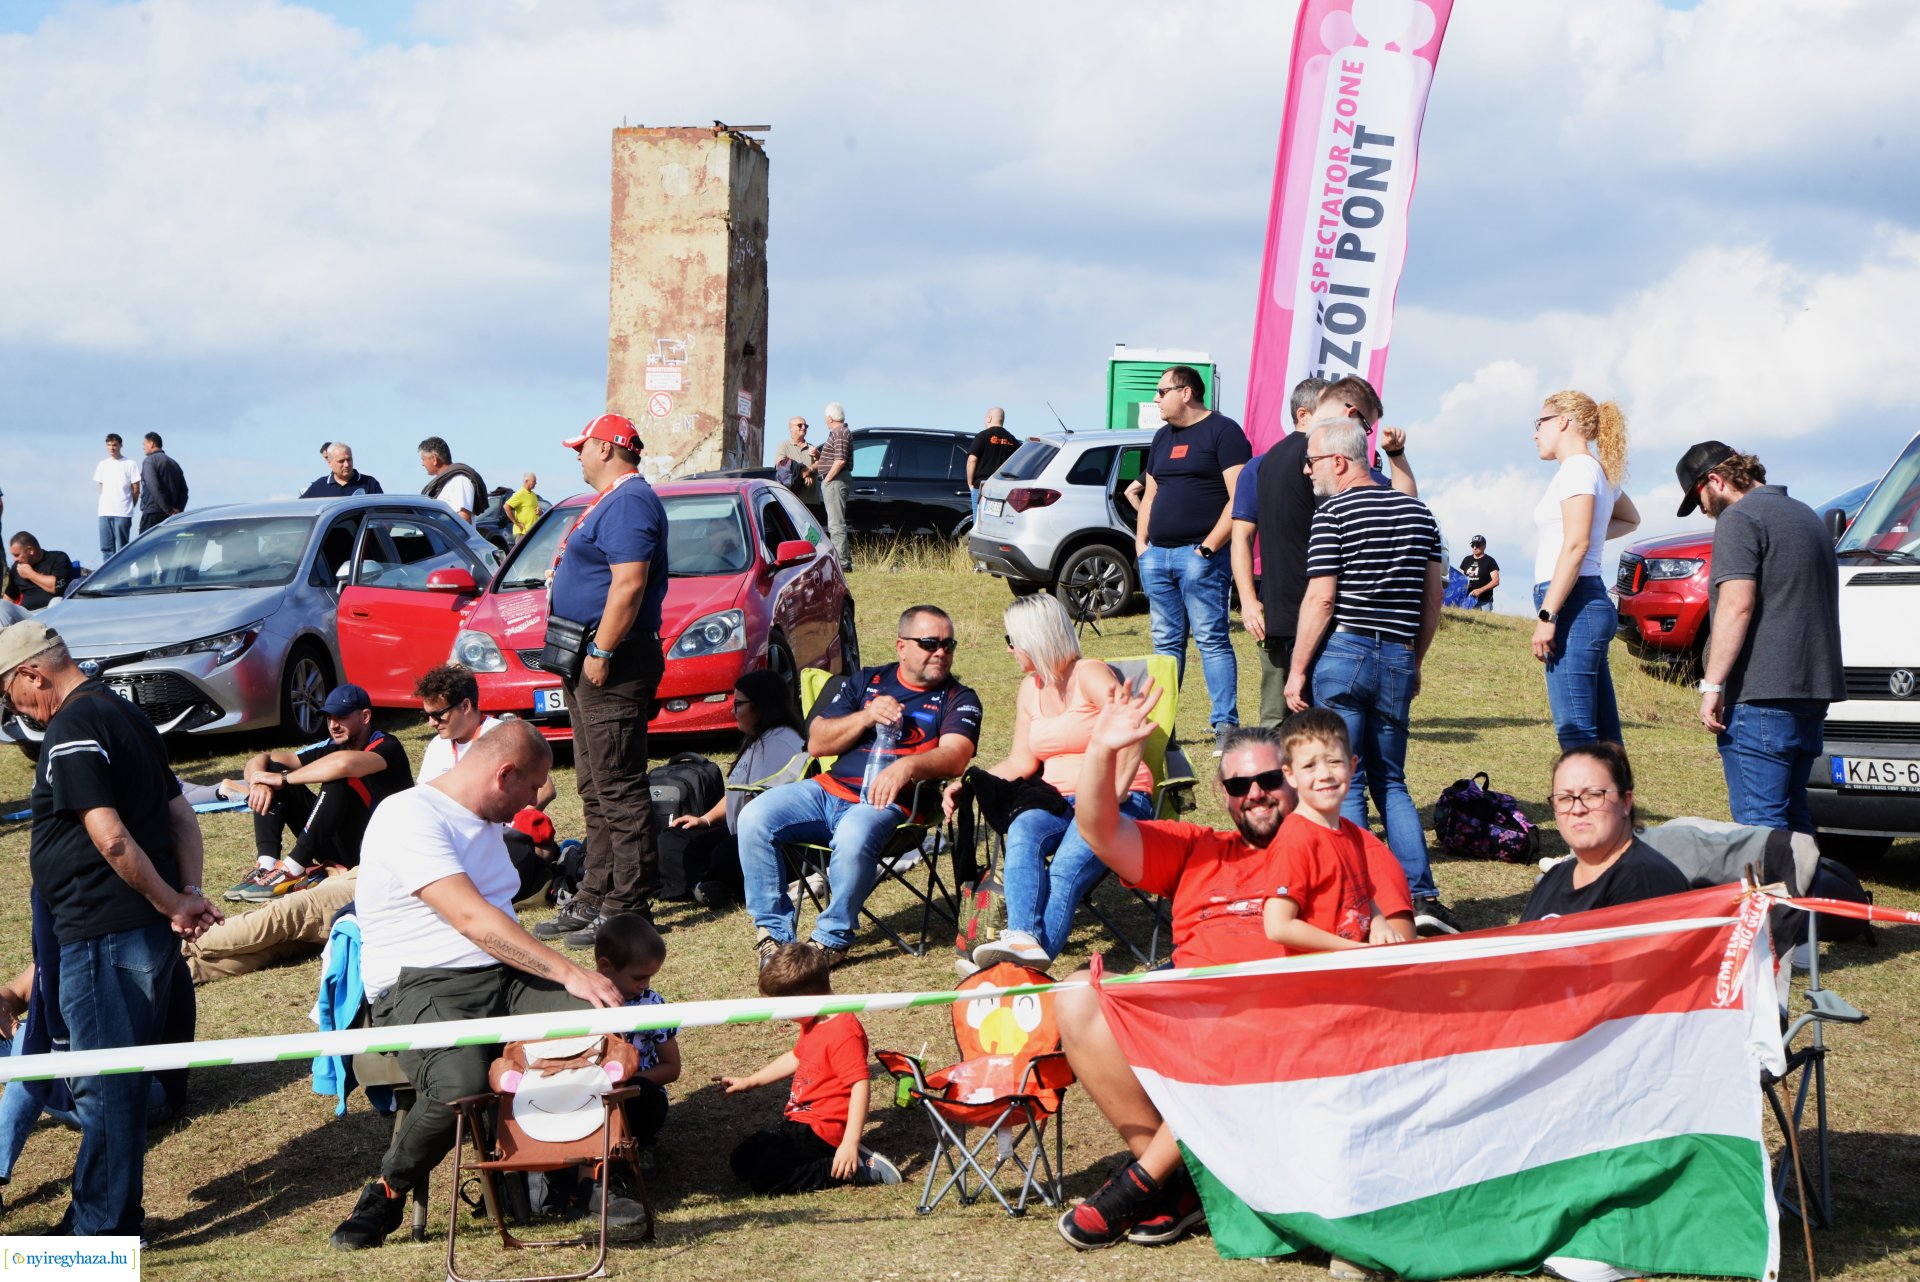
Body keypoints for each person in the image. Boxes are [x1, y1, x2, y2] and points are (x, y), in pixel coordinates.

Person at [1053, 695, 1409, 1251]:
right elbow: (1099, 830)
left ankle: (1148, 1181)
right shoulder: (1198, 848)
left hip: (1280, 1031)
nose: (1256, 794)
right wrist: (1101, 748)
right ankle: (1181, 1178)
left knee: (1248, 1026)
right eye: (1240, 786)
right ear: (1223, 795)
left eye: (1267, 779)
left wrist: (1382, 930)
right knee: (1076, 993)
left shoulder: (1352, 847)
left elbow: (1403, 949)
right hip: (1183, 1019)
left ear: (1290, 778)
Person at [331, 720, 623, 1251]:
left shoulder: (487, 821)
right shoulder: (407, 815)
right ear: (503, 774)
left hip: (502, 976)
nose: (537, 799)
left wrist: (575, 982)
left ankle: (590, 1179)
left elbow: (498, 920)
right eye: (533, 786)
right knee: (460, 1082)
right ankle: (388, 1190)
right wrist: (566, 969)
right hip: (420, 983)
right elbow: (472, 920)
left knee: (602, 1025)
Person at [0, 619, 219, 1236]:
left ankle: (100, 1230)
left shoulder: (72, 726)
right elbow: (182, 816)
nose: (15, 711)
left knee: (105, 1087)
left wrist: (174, 903)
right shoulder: (125, 715)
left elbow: (111, 837)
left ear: (32, 673)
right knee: (114, 1084)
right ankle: (106, 1218)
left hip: (103, 934)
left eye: (9, 695)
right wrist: (186, 894)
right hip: (134, 935)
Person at [1286, 415, 1458, 936]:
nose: (1307, 471)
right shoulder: (1419, 513)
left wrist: (1297, 670)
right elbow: (1433, 599)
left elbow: (1321, 596)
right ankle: (1422, 897)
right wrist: (1416, 659)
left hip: (1344, 653)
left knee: (1349, 780)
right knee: (1393, 782)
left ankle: (1366, 902)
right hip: (1397, 657)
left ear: (1339, 461)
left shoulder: (1332, 512)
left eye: (1312, 461)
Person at [737, 605, 982, 966]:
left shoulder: (959, 698)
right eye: (930, 643)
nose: (941, 652)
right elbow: (818, 742)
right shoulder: (867, 681)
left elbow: (957, 756)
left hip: (893, 805)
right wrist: (867, 715)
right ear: (902, 646)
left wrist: (908, 765)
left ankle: (830, 939)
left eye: (949, 644)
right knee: (755, 816)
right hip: (827, 791)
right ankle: (774, 936)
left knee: (853, 832)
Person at [942, 594, 1154, 971]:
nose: (1008, 649)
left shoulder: (1090, 674)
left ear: (1036, 638)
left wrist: (1114, 794)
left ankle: (1018, 973)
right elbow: (1022, 760)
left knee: (1065, 868)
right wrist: (971, 783)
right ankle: (1022, 938)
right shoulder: (1030, 689)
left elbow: (1133, 730)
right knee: (1023, 828)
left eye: (1012, 640)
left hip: (1117, 798)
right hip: (1057, 800)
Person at [532, 413, 670, 949]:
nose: (577, 455)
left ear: (608, 448)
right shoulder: (614, 500)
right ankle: (595, 891)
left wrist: (602, 649)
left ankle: (628, 906)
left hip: (613, 660)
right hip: (590, 658)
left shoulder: (630, 501)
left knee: (617, 781)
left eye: (582, 446)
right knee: (594, 781)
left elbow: (629, 583)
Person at [1677, 442, 1845, 833]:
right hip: (1811, 693)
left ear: (1715, 480)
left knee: (1760, 828)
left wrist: (1712, 684)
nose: (1702, 509)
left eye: (1698, 497)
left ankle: (1773, 897)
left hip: (1760, 696)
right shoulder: (1806, 516)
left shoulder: (1739, 519)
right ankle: (1803, 895)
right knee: (1795, 818)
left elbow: (1737, 605)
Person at [720, 942, 902, 1194]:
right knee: (741, 1161)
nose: (782, 1016)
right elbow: (796, 1057)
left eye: (785, 1008)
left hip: (823, 1130)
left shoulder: (843, 1031)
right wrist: (750, 1081)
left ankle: (852, 1166)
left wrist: (850, 1142)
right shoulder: (815, 1018)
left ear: (806, 999)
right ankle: (835, 1157)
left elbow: (860, 1086)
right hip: (800, 1120)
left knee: (766, 1182)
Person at [1134, 365, 1251, 754]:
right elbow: (1150, 495)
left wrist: (1207, 548)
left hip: (1201, 558)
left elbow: (1240, 498)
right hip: (1157, 558)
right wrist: (1141, 546)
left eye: (1161, 390)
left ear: (1185, 393)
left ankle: (1225, 727)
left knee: (1211, 640)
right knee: (1166, 644)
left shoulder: (1224, 431)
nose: (1156, 398)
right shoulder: (1162, 437)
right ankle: (1162, 728)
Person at [225, 683, 413, 901]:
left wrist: (283, 779)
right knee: (273, 770)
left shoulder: (388, 746)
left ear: (365, 716)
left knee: (337, 778)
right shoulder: (332, 745)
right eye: (329, 717)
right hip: (338, 844)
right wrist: (259, 780)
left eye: (341, 717)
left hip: (376, 849)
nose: (333, 725)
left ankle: (293, 869)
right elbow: (264, 759)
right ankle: (266, 867)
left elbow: (344, 765)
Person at [1529, 391, 1640, 750]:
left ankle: (1586, 803)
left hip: (1573, 604)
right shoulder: (1594, 470)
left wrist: (1548, 613)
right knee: (1605, 735)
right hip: (1584, 600)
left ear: (1563, 421)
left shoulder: (1577, 468)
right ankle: (1617, 803)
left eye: (1540, 423)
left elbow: (1576, 546)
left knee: (1576, 732)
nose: (1535, 433)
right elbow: (1628, 519)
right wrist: (1587, 531)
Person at [1262, 708, 1414, 955]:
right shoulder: (1295, 840)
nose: (1324, 774)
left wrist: (1378, 922)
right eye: (1309, 765)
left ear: (1352, 766)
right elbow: (1278, 926)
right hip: (1317, 983)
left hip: (1351, 973)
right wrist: (1352, 950)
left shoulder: (1352, 834)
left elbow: (1361, 898)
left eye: (1334, 761)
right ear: (1289, 775)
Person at [1232, 377, 1330, 729]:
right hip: (1285, 607)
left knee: (1301, 716)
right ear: (1303, 414)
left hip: (1313, 607)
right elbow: (1240, 538)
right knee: (1282, 715)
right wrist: (1248, 600)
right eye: (1329, 409)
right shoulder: (1260, 467)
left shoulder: (1331, 464)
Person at [667, 668, 810, 906]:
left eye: (739, 704)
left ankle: (708, 885)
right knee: (676, 840)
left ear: (761, 705)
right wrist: (704, 820)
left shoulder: (782, 743)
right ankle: (700, 884)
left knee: (724, 854)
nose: (733, 712)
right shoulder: (758, 739)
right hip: (740, 833)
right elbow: (737, 792)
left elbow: (768, 804)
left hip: (773, 842)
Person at [1522, 742, 1689, 922]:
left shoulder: (1646, 883)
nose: (1577, 809)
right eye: (1564, 798)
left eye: (1593, 795)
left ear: (1625, 802)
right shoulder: (1555, 877)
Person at [594, 913, 680, 1152]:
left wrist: (630, 1085)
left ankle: (642, 1145)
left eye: (651, 977)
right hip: (592, 1093)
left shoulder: (652, 1005)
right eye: (639, 977)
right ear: (605, 966)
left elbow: (672, 1067)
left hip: (638, 1094)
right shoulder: (582, 1003)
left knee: (645, 1100)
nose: (646, 985)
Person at [92, 433, 142, 563]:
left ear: (120, 445)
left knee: (122, 549)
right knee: (106, 548)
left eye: (114, 445)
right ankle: (108, 579)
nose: (111, 448)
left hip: (123, 512)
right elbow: (101, 487)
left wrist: (130, 506)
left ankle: (123, 578)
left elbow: (136, 489)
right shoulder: (102, 464)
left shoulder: (130, 463)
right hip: (104, 511)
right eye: (109, 445)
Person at [966, 407, 1020, 526]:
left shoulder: (982, 436)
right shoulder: (1012, 440)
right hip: (1003, 486)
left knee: (979, 524)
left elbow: (972, 460)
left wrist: (970, 483)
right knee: (998, 524)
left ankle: (979, 544)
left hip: (982, 486)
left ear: (989, 418)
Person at [816, 402, 854, 570]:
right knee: (835, 522)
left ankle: (842, 564)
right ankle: (843, 561)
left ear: (830, 418)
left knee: (835, 524)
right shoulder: (840, 433)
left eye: (826, 417)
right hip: (835, 479)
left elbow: (840, 460)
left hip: (835, 480)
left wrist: (827, 479)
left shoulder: (840, 432)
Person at [417, 434, 486, 526]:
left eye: (423, 459)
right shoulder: (442, 484)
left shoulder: (459, 480)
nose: (422, 464)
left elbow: (464, 518)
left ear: (434, 459)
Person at [4, 533, 75, 611]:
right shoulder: (17, 567)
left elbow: (57, 587)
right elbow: (9, 598)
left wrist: (30, 574)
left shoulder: (58, 558)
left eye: (17, 555)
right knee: (2, 605)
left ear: (30, 550)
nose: (14, 559)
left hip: (51, 612)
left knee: (57, 601)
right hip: (26, 615)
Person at [137, 432, 188, 534]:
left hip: (153, 514)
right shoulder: (174, 463)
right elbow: (184, 490)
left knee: (146, 548)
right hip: (171, 516)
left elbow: (154, 486)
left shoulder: (149, 461)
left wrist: (168, 509)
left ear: (151, 444)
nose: (143, 447)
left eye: (144, 444)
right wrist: (178, 510)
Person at [301, 442, 383, 498]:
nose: (346, 464)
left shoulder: (370, 484)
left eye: (349, 459)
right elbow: (300, 509)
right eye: (341, 461)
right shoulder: (319, 486)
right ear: (329, 463)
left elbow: (383, 516)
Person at [773, 417, 819, 506]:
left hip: (812, 502)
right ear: (791, 428)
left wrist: (809, 470)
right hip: (791, 502)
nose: (803, 427)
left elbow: (821, 464)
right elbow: (782, 469)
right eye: (800, 425)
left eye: (806, 426)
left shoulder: (812, 447)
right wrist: (802, 474)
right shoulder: (783, 446)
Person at [504, 471, 542, 537]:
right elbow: (506, 506)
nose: (536, 483)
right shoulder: (520, 493)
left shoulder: (533, 494)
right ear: (526, 481)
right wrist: (515, 522)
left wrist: (540, 511)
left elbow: (536, 510)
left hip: (532, 532)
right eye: (534, 481)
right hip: (522, 533)